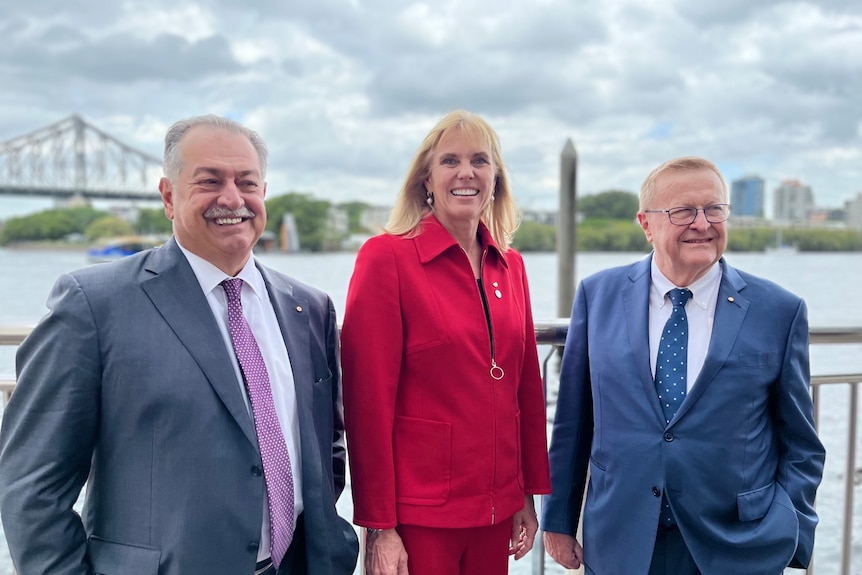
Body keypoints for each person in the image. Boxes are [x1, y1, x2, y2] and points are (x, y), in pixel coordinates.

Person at [0, 115, 359, 575]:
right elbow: (32, 486)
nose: (232, 198)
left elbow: (325, 444)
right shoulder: (93, 306)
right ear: (169, 196)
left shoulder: (309, 308)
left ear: (263, 193)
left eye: (246, 182)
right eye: (210, 181)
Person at [541, 156, 826, 574]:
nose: (702, 223)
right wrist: (560, 520)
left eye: (714, 209)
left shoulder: (779, 310)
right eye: (682, 211)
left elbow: (801, 441)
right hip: (621, 537)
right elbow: (573, 423)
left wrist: (792, 531)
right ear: (647, 224)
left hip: (738, 546)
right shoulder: (597, 296)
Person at [340, 110, 551, 575]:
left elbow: (525, 388)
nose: (466, 172)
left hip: (496, 510)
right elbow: (367, 400)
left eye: (480, 160)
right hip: (420, 514)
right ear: (426, 181)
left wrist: (526, 495)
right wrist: (380, 525)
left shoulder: (510, 265)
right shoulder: (387, 257)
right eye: (449, 161)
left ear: (495, 179)